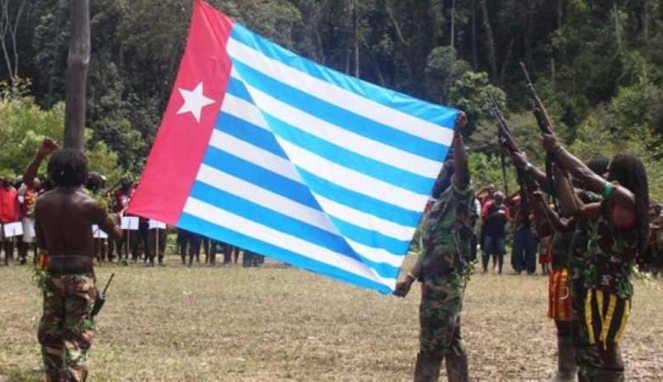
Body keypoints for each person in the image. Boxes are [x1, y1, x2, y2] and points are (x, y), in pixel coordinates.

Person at [538, 134, 648, 382]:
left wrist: (558, 150)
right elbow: (574, 209)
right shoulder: (609, 205)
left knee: (607, 349)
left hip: (611, 290)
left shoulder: (627, 200)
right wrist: (560, 171)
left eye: (610, 172)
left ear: (623, 175)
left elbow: (588, 176)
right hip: (597, 286)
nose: (606, 176)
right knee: (601, 346)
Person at [24, 140, 122, 382]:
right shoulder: (89, 205)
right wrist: (113, 216)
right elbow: (117, 235)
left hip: (54, 274)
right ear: (81, 174)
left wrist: (39, 156)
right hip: (81, 277)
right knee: (75, 336)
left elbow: (42, 244)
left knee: (51, 335)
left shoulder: (43, 203)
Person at [394, 112, 476, 382]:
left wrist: (456, 136)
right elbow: (428, 249)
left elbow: (464, 172)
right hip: (433, 284)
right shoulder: (438, 207)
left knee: (431, 346)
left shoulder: (458, 198)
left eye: (441, 171)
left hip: (445, 287)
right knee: (451, 342)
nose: (436, 176)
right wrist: (410, 277)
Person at [481, 191, 510, 274]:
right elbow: (483, 216)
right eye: (499, 199)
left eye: (501, 199)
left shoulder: (504, 208)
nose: (500, 200)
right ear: (495, 198)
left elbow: (507, 219)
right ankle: (485, 268)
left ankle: (500, 269)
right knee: (486, 250)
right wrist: (493, 216)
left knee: (500, 250)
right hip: (489, 231)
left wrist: (503, 217)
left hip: (500, 232)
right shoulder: (488, 205)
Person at [510, 189, 538, 275]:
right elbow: (515, 219)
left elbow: (534, 216)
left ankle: (530, 269)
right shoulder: (517, 205)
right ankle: (518, 267)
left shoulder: (533, 204)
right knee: (517, 250)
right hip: (519, 229)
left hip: (529, 229)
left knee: (530, 250)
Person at [18, 177, 40, 264]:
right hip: (27, 217)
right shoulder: (25, 191)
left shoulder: (38, 192)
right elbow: (20, 201)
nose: (35, 185)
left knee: (35, 239)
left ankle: (35, 257)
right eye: (34, 183)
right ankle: (23, 257)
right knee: (26, 238)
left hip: (36, 217)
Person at [0, 172, 20, 265]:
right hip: (1, 218)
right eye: (5, 181)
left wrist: (17, 216)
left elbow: (16, 204)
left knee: (10, 240)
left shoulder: (14, 190)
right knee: (1, 239)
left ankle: (9, 258)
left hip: (12, 219)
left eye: (9, 181)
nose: (7, 182)